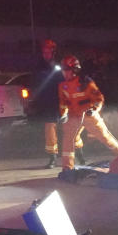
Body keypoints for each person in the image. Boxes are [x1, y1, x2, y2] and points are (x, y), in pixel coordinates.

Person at [58, 55, 118, 171]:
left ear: (74, 70)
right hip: (74, 116)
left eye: (66, 70)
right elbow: (63, 102)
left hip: (89, 115)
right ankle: (67, 168)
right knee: (68, 140)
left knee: (105, 137)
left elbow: (98, 98)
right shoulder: (63, 86)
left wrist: (93, 110)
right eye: (63, 70)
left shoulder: (85, 82)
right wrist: (63, 114)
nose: (64, 72)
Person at [26, 39, 65, 168]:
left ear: (54, 52)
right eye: (44, 52)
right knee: (49, 130)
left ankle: (78, 154)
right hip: (47, 102)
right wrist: (33, 100)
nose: (46, 54)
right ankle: (52, 157)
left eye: (48, 52)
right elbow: (35, 83)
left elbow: (65, 83)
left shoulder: (60, 65)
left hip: (61, 101)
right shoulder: (38, 66)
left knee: (69, 128)